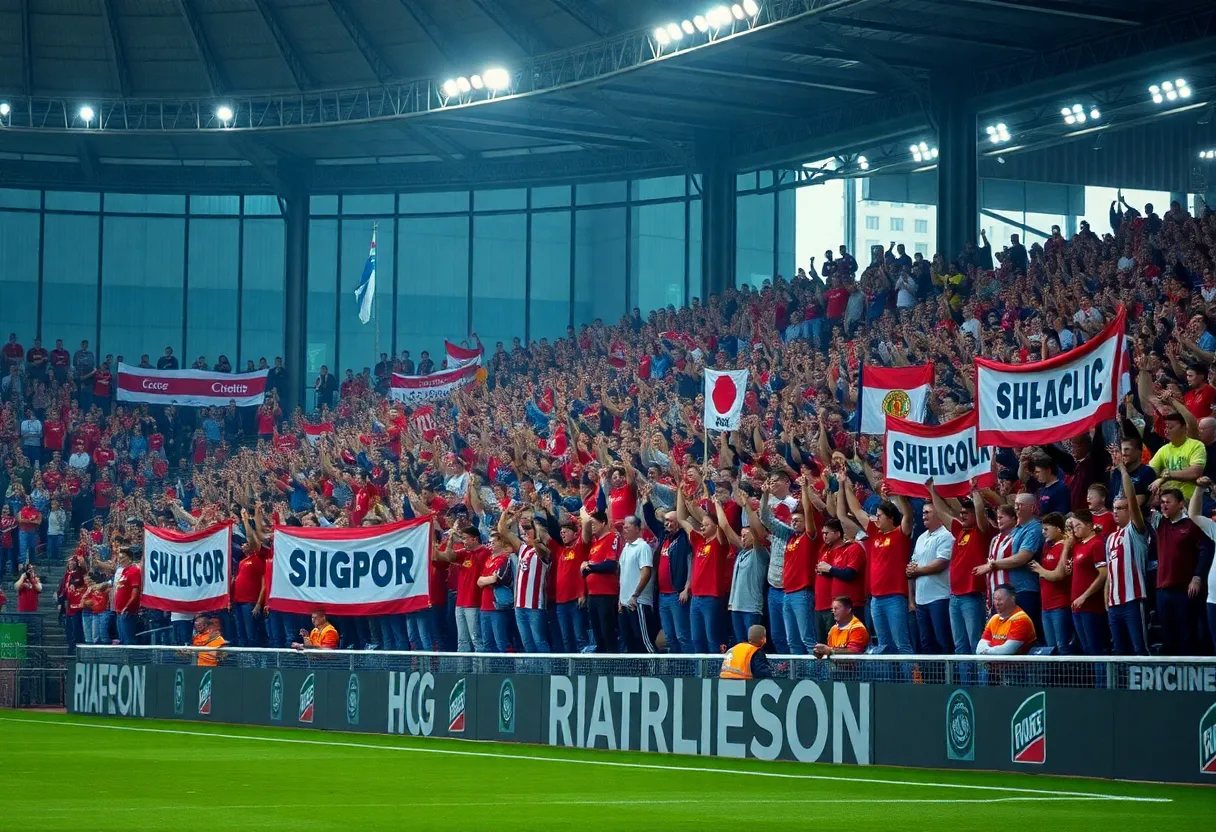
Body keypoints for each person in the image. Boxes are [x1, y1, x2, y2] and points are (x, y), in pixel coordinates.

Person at [907, 498, 953, 654]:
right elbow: (911, 568)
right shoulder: (921, 538)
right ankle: (931, 679)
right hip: (921, 601)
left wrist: (916, 571)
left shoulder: (947, 536)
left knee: (943, 641)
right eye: (922, 512)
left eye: (927, 512)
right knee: (926, 643)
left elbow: (941, 563)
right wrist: (911, 599)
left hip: (940, 598)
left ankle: (949, 678)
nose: (923, 515)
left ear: (939, 514)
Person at [1029, 512, 1073, 654]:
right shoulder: (1047, 546)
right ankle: (1056, 676)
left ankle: (1067, 676)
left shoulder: (1065, 548)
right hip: (1046, 606)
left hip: (1060, 605)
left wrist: (1040, 570)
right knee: (1051, 648)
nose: (1043, 532)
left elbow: (1058, 575)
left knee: (1062, 646)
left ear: (1058, 529)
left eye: (1046, 529)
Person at [617, 515, 658, 653]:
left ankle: (655, 669)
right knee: (629, 641)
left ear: (637, 529)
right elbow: (623, 576)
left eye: (627, 527)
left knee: (644, 640)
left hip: (638, 602)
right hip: (625, 603)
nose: (624, 529)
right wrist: (620, 600)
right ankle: (635, 672)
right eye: (624, 527)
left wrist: (635, 595)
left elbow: (646, 572)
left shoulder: (643, 547)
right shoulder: (626, 548)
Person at [976, 585, 1036, 655]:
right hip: (994, 664)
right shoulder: (994, 618)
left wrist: (986, 652)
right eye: (995, 599)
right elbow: (979, 648)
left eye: (1000, 599)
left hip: (1017, 665)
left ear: (1012, 598)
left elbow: (1007, 650)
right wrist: (988, 651)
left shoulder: (1021, 619)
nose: (997, 603)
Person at [112, 551, 142, 645]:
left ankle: (132, 659)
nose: (120, 560)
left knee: (129, 640)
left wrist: (127, 607)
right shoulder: (124, 571)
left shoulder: (134, 570)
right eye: (119, 558)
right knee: (123, 640)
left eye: (123, 557)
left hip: (127, 611)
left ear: (130, 558)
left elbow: (135, 591)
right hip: (119, 611)